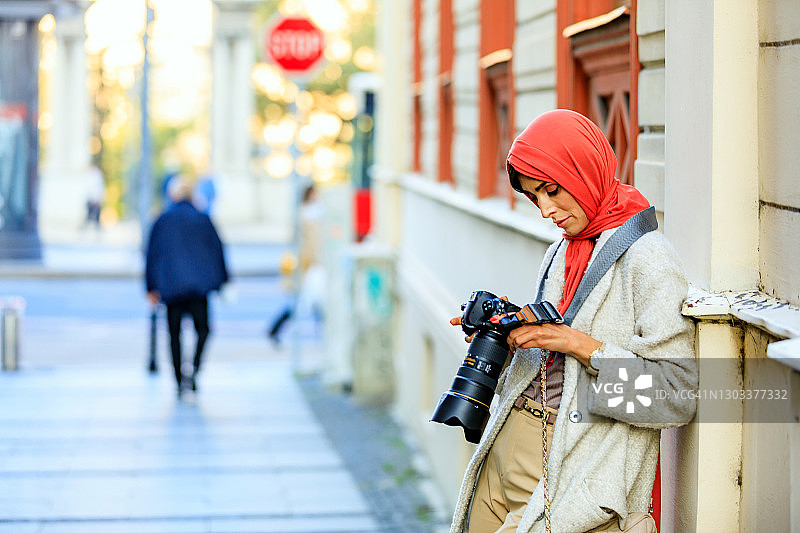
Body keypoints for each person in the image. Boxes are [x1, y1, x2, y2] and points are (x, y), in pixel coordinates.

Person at [448, 110, 698, 533]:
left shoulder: (650, 259)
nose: (546, 210)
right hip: (507, 439)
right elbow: (552, 358)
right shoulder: (564, 249)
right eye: (534, 196)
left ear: (583, 170)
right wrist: (510, 333)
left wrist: (580, 346)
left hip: (571, 463)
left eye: (551, 190)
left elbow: (677, 396)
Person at [145, 176, 229, 397]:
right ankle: (194, 369)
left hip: (171, 288)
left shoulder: (162, 219)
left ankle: (179, 379)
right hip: (198, 288)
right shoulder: (202, 218)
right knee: (204, 329)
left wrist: (151, 287)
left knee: (174, 334)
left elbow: (152, 255)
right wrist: (222, 281)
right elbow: (217, 250)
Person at [268, 183, 325, 345]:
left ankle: (323, 338)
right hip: (308, 267)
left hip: (311, 266)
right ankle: (275, 329)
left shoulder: (314, 214)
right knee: (304, 303)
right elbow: (308, 244)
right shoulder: (307, 216)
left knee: (316, 304)